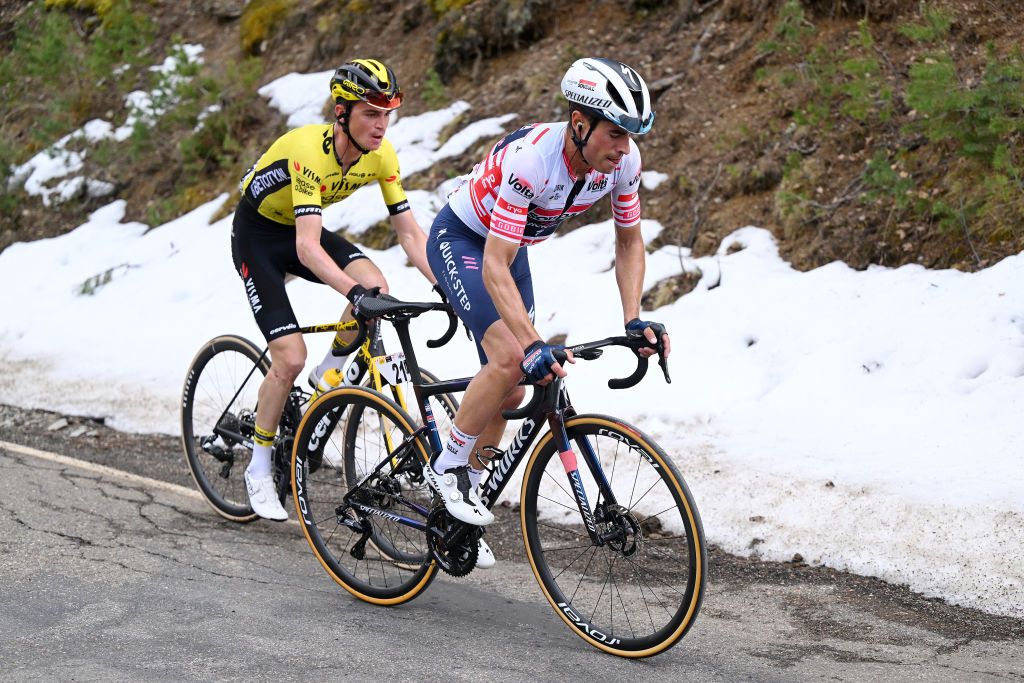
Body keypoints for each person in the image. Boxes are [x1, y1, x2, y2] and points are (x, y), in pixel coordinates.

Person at [423, 58, 672, 528]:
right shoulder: (533, 161)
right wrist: (533, 343)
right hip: (463, 240)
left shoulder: (624, 163)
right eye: (615, 132)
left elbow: (629, 241)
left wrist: (633, 318)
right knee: (509, 358)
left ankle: (463, 506)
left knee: (513, 391)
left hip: (510, 251)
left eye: (631, 136)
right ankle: (447, 466)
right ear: (580, 124)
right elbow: (493, 262)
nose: (625, 147)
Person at [231, 59, 436, 521]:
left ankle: (329, 377)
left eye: (387, 114)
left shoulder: (382, 156)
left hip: (301, 228)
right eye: (370, 113)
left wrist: (445, 286)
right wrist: (354, 294)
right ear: (341, 112)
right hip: (259, 238)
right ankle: (259, 467)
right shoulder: (309, 151)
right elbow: (306, 249)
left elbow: (410, 234)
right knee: (288, 357)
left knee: (377, 287)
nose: (381, 125)